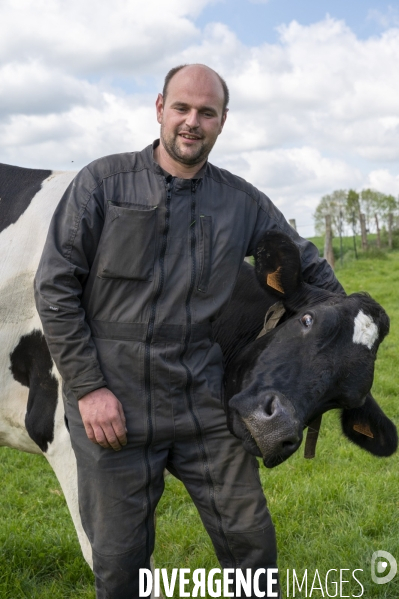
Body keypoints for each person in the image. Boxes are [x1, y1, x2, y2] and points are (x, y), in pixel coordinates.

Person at [34, 64, 343, 599]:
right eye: (181, 108)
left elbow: (311, 270)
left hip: (202, 399)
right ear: (159, 109)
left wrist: (347, 323)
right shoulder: (103, 184)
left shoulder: (241, 203)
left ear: (223, 121)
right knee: (121, 562)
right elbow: (55, 287)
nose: (191, 121)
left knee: (252, 543)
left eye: (207, 112)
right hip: (114, 404)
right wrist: (88, 387)